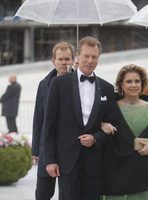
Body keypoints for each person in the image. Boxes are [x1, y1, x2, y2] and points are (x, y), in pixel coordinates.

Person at [44, 36, 117, 200]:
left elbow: (113, 124)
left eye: (94, 56)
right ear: (78, 55)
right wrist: (50, 160)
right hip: (66, 161)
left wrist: (96, 138)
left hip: (94, 163)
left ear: (99, 57)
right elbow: (49, 124)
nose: (90, 60)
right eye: (86, 56)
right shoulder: (58, 83)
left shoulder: (107, 88)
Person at [101, 64, 148, 200]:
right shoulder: (110, 106)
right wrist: (102, 124)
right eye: (129, 81)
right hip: (115, 173)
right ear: (121, 84)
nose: (134, 85)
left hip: (142, 173)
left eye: (137, 81)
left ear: (143, 83)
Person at [31, 41, 75, 200]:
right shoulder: (44, 84)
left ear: (73, 59)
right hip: (47, 148)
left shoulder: (78, 82)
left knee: (68, 193)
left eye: (67, 59)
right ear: (53, 61)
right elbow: (38, 118)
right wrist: (35, 148)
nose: (64, 63)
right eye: (61, 59)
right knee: (42, 193)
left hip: (70, 148)